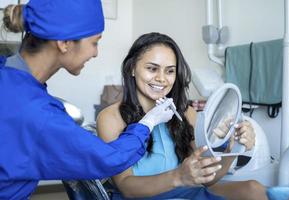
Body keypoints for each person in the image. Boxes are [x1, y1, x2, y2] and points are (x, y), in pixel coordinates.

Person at [0, 1, 176, 199]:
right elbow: (108, 159)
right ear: (64, 42)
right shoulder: (38, 113)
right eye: (94, 42)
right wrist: (148, 122)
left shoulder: (9, 78)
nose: (95, 52)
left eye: (170, 70)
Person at [97, 32, 268, 200]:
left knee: (253, 189)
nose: (161, 78)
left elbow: (207, 178)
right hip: (139, 197)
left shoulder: (186, 113)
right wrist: (179, 176)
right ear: (132, 68)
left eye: (170, 71)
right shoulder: (111, 118)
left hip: (185, 193)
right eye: (152, 69)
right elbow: (126, 186)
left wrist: (233, 148)